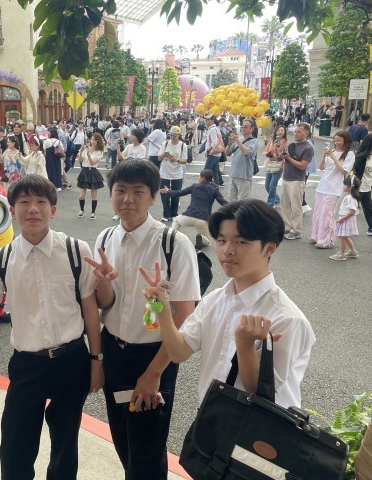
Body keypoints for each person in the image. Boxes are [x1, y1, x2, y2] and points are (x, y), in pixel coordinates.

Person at [0, 175, 104, 480]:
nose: (33, 209)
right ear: (12, 210)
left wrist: (96, 361)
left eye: (41, 202)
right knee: (15, 447)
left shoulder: (75, 250)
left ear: (53, 210)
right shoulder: (0, 258)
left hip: (72, 360)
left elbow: (90, 310)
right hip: (27, 363)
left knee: (65, 444)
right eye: (24, 202)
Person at [144, 199, 315, 409]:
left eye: (241, 242)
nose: (227, 250)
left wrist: (245, 346)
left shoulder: (287, 318)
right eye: (221, 240)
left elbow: (262, 395)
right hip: (211, 418)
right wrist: (162, 309)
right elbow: (179, 352)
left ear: (269, 249)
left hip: (257, 427)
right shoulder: (215, 300)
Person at [88, 160, 200, 480]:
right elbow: (104, 304)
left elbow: (184, 316)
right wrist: (102, 284)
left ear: (153, 197)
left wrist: (153, 374)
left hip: (154, 356)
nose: (128, 199)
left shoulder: (173, 244)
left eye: (138, 192)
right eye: (120, 190)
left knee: (147, 449)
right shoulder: (105, 238)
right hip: (114, 352)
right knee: (123, 437)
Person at [161, 169, 228, 249]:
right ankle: (201, 238)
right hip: (202, 220)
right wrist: (235, 208)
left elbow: (179, 193)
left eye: (199, 176)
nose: (198, 178)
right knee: (207, 241)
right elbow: (223, 202)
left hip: (188, 216)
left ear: (203, 178)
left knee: (176, 220)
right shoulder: (214, 189)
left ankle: (171, 237)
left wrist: (168, 191)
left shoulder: (194, 186)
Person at [310, 131, 355, 249]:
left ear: (346, 141)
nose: (336, 143)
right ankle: (316, 236)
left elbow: (344, 171)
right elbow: (321, 167)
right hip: (322, 185)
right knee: (318, 212)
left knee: (327, 214)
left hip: (334, 188)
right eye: (335, 140)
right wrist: (324, 156)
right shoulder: (333, 151)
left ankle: (325, 240)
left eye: (339, 140)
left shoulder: (350, 154)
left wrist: (334, 158)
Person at [280, 123, 314, 240]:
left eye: (299, 132)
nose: (295, 134)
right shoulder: (291, 145)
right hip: (286, 177)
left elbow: (303, 166)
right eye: (295, 131)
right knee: (285, 205)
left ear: (306, 133)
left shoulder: (308, 148)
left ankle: (296, 230)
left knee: (296, 207)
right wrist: (278, 152)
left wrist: (288, 158)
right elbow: (279, 158)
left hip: (297, 180)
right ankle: (287, 227)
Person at [158, 126, 188, 222]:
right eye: (171, 135)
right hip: (164, 173)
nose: (172, 137)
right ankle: (166, 215)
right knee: (164, 194)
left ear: (179, 135)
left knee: (176, 195)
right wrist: (163, 155)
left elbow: (185, 161)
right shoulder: (165, 144)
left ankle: (174, 214)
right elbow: (159, 158)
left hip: (177, 174)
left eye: (174, 135)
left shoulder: (183, 145)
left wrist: (176, 160)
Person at [226, 118, 258, 202]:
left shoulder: (254, 141)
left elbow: (246, 153)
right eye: (242, 127)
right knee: (231, 201)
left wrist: (237, 140)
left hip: (244, 175)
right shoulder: (239, 139)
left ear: (252, 129)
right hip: (233, 174)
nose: (243, 129)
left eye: (245, 127)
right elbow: (227, 153)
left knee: (242, 202)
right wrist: (229, 143)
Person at [330, 175, 362, 261]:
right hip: (345, 219)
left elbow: (352, 212)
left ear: (350, 187)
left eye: (344, 184)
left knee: (342, 236)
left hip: (346, 219)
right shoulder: (349, 196)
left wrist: (342, 219)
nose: (343, 186)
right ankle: (353, 252)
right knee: (345, 236)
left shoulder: (350, 198)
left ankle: (342, 254)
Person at [76, 132, 105, 219]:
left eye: (95, 140)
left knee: (94, 195)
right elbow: (79, 160)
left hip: (93, 171)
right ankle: (81, 210)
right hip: (84, 170)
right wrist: (81, 152)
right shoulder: (86, 149)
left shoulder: (99, 152)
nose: (92, 141)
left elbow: (93, 163)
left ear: (98, 141)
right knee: (81, 195)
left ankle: (93, 212)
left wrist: (88, 154)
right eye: (92, 139)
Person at [261, 126, 289, 207]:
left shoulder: (286, 143)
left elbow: (284, 155)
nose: (280, 132)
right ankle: (276, 199)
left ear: (284, 132)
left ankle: (270, 203)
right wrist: (269, 154)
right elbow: (265, 151)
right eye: (278, 130)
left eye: (282, 130)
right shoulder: (272, 141)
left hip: (279, 165)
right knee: (267, 185)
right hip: (270, 165)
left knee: (272, 185)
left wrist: (277, 150)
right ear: (276, 132)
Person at [353, 133, 372, 236]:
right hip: (359, 186)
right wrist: (354, 186)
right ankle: (344, 228)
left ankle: (371, 227)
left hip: (367, 186)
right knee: (351, 208)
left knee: (368, 207)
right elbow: (355, 172)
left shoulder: (370, 156)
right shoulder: (361, 157)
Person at [203, 115, 225, 187]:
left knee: (206, 171)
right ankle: (216, 186)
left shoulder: (212, 129)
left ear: (212, 121)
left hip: (213, 153)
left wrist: (208, 151)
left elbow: (214, 142)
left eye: (208, 120)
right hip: (217, 153)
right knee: (215, 171)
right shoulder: (216, 128)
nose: (206, 122)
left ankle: (204, 187)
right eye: (206, 120)